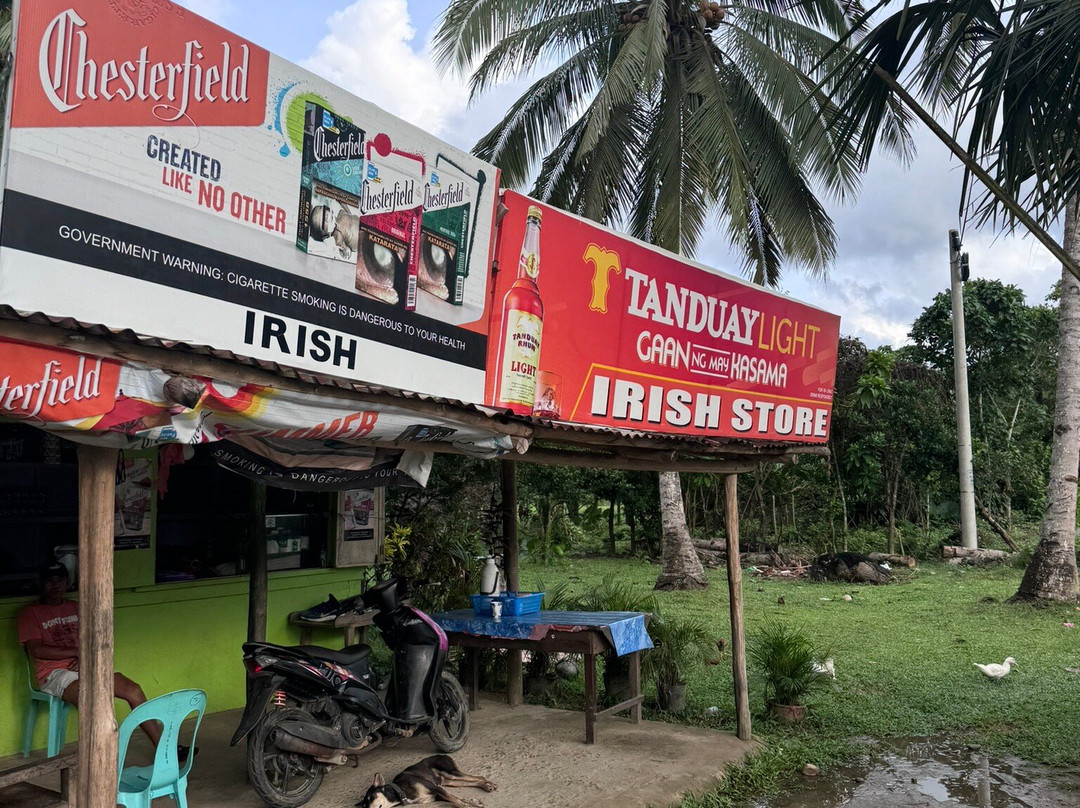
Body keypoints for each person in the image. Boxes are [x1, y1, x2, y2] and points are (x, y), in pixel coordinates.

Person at [18, 564, 193, 760]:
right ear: (40, 583)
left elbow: (96, 639)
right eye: (50, 580)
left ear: (68, 582)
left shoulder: (76, 607)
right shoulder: (30, 613)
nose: (56, 585)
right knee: (93, 700)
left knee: (133, 690)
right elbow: (36, 649)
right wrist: (79, 653)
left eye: (60, 579)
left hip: (88, 665)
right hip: (56, 673)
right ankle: (103, 760)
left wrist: (87, 657)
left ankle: (165, 749)